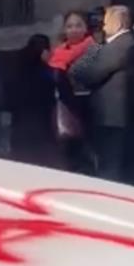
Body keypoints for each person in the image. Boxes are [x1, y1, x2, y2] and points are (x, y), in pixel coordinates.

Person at [69, 5, 134, 186]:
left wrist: (95, 47)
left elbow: (84, 74)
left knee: (111, 167)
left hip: (113, 119)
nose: (104, 28)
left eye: (106, 23)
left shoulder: (120, 46)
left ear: (118, 23)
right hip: (129, 117)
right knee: (129, 166)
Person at [1, 34, 63, 168]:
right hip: (41, 130)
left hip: (19, 129)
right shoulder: (46, 74)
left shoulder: (15, 70)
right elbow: (52, 100)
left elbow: (6, 102)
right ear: (44, 51)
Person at [49, 10, 98, 174]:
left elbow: (84, 76)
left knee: (85, 153)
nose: (74, 30)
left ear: (86, 29)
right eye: (69, 26)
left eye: (78, 25)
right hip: (63, 108)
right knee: (66, 154)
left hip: (85, 107)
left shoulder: (93, 50)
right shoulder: (59, 52)